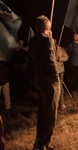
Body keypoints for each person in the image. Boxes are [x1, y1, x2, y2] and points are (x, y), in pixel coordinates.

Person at [28, 15, 60, 150]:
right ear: (47, 27)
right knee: (50, 113)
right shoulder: (48, 41)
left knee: (42, 112)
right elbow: (50, 60)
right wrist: (56, 76)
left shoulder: (33, 41)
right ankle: (44, 144)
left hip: (38, 80)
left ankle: (39, 142)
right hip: (49, 81)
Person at [54, 43, 69, 110]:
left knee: (60, 87)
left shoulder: (61, 49)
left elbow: (66, 57)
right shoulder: (49, 49)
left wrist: (59, 58)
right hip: (54, 71)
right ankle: (55, 104)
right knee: (55, 88)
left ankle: (61, 104)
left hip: (61, 70)